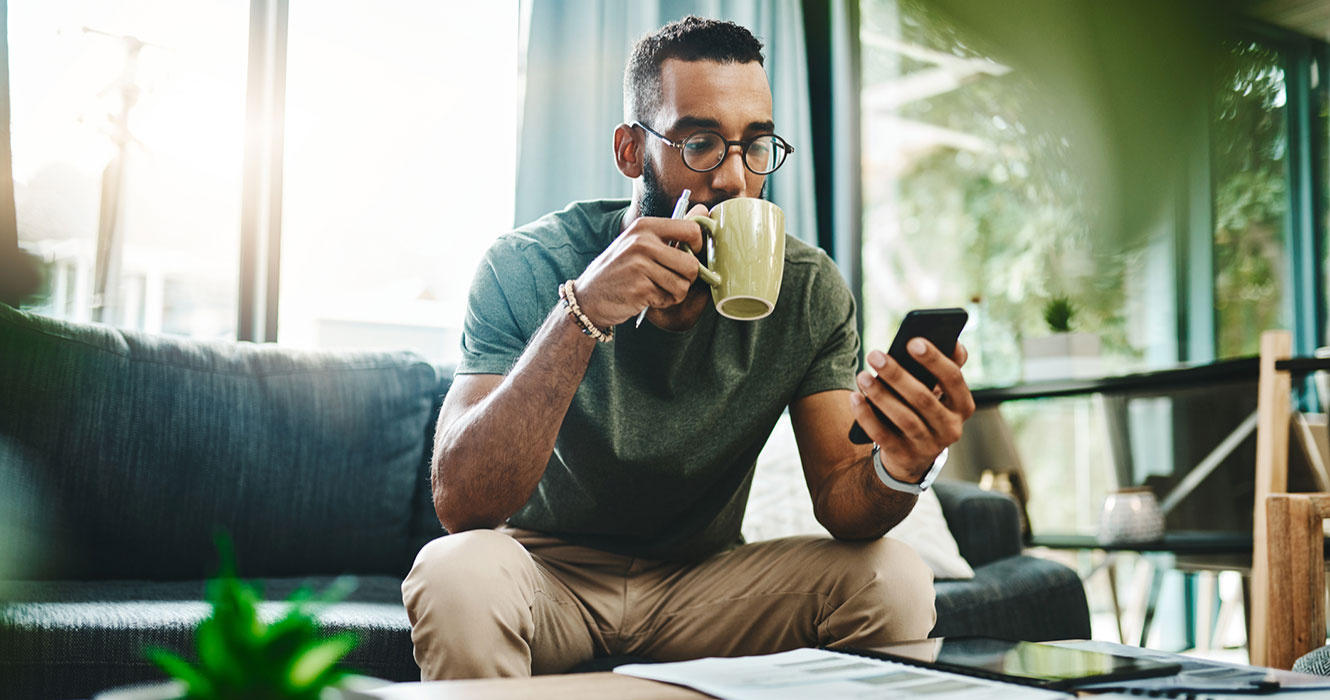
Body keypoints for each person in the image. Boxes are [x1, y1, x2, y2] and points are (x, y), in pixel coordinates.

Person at [401, 15, 974, 680]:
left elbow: (845, 508)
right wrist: (579, 314)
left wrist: (902, 465)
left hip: (706, 588)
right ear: (628, 151)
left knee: (892, 577)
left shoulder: (808, 290)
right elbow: (462, 505)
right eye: (700, 142)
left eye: (756, 145)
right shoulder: (524, 265)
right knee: (454, 574)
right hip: (546, 575)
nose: (734, 179)